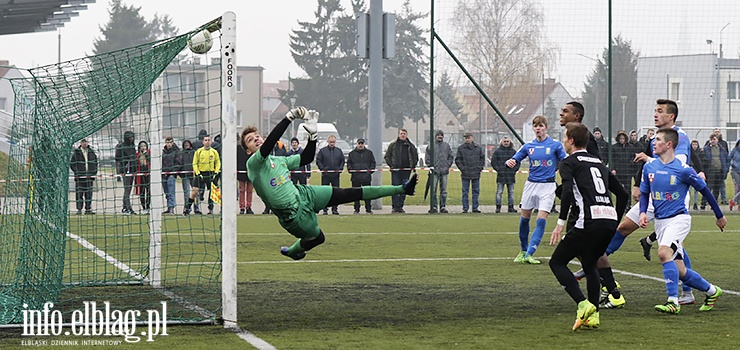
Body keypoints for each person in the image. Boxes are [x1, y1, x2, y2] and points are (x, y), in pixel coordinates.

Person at [242, 106, 418, 260]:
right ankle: (293, 251)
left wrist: (313, 136)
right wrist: (289, 117)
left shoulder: (278, 160)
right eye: (251, 140)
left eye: (257, 136)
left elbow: (307, 158)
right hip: (293, 216)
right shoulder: (254, 164)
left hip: (303, 194)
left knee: (349, 193)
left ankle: (403, 188)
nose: (256, 139)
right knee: (318, 238)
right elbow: (270, 143)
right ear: (248, 151)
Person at [597, 99, 705, 307]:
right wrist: (638, 185)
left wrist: (648, 160)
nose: (655, 114)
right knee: (623, 227)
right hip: (654, 195)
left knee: (676, 249)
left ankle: (687, 292)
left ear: (671, 116)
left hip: (673, 196)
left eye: (660, 111)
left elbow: (677, 164)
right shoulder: (656, 137)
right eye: (655, 110)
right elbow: (647, 163)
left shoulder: (679, 137)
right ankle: (596, 263)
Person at [549, 122, 629, 331]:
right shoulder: (599, 163)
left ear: (572, 140)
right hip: (608, 220)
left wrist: (560, 224)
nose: (563, 141)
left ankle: (583, 304)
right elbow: (623, 194)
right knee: (590, 264)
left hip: (589, 219)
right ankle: (593, 317)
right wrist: (615, 220)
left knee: (557, 262)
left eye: (565, 137)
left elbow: (566, 192)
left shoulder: (568, 162)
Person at [638, 127, 725, 314]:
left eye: (658, 139)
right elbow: (644, 193)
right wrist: (643, 212)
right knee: (680, 269)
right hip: (660, 223)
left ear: (669, 144)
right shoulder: (649, 167)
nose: (653, 142)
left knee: (663, 253)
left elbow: (705, 191)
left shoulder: (683, 170)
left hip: (679, 219)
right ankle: (712, 291)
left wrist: (719, 216)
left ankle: (673, 302)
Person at [506, 116, 566, 264]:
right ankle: (523, 251)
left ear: (546, 127)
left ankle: (530, 253)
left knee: (540, 220)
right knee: (524, 219)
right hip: (531, 185)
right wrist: (511, 161)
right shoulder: (528, 146)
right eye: (535, 126)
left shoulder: (555, 145)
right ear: (533, 128)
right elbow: (516, 158)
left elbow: (565, 160)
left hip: (548, 186)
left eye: (540, 126)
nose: (538, 129)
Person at [183, 135, 220, 216]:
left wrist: (216, 172)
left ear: (211, 142)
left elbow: (218, 163)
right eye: (206, 140)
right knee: (194, 192)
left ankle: (211, 209)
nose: (207, 141)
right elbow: (195, 163)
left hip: (210, 174)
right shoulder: (199, 151)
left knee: (214, 192)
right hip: (200, 174)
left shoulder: (214, 152)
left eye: (209, 140)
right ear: (203, 142)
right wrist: (198, 173)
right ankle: (187, 209)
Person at [384, 128, 418, 214]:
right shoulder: (393, 145)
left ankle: (400, 206)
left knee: (404, 188)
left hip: (406, 171)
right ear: (398, 135)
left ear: (406, 135)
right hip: (396, 171)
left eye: (404, 134)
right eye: (401, 133)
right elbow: (387, 156)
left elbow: (415, 156)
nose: (403, 135)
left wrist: (413, 165)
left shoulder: (411, 146)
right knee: (395, 188)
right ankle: (395, 206)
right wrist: (391, 165)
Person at [456, 132, 485, 213]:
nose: (467, 139)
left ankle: (475, 208)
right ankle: (465, 208)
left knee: (476, 191)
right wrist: (463, 169)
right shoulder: (461, 148)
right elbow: (458, 160)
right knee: (465, 192)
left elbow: (482, 159)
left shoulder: (478, 148)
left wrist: (479, 168)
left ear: (472, 138)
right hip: (465, 173)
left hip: (476, 173)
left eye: (468, 137)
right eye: (466, 138)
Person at [426, 130, 454, 213]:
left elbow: (450, 156)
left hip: (444, 171)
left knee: (444, 190)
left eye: (441, 135)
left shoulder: (446, 146)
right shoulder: (431, 146)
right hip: (434, 171)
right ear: (435, 136)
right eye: (438, 135)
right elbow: (427, 157)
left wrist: (447, 165)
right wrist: (430, 165)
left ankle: (443, 206)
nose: (439, 136)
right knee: (433, 190)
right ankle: (434, 206)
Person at [316, 135, 345, 215]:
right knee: (325, 193)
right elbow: (318, 161)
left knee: (336, 193)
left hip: (336, 176)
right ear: (327, 142)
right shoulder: (322, 151)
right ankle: (325, 209)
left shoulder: (339, 151)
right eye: (330, 142)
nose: (332, 143)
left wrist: (339, 169)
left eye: (333, 142)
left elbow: (342, 161)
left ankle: (335, 209)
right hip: (326, 176)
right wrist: (323, 169)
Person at [347, 138, 376, 214]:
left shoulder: (369, 153)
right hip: (355, 177)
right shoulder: (352, 154)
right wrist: (351, 170)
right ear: (357, 144)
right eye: (359, 143)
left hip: (366, 177)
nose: (360, 145)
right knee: (355, 194)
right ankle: (356, 209)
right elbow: (349, 164)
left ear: (364, 144)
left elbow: (373, 163)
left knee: (367, 194)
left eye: (362, 143)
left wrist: (370, 171)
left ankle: (368, 209)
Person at [70, 138, 98, 215]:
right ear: (80, 143)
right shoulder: (76, 153)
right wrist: (77, 172)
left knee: (88, 194)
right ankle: (79, 209)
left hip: (89, 177)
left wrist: (93, 172)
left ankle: (88, 209)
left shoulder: (91, 152)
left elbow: (95, 163)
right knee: (79, 194)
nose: (84, 144)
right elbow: (72, 164)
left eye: (85, 142)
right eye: (83, 142)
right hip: (80, 178)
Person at [701, 134, 729, 210]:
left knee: (717, 189)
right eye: (711, 139)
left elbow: (726, 159)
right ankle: (703, 204)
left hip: (719, 171)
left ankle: (714, 205)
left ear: (717, 140)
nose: (713, 141)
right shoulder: (706, 149)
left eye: (714, 139)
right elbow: (703, 159)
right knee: (708, 188)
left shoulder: (722, 149)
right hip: (710, 171)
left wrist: (726, 169)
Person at [491, 136, 518, 213]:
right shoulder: (497, 152)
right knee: (499, 192)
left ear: (510, 142)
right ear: (501, 142)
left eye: (507, 141)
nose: (506, 143)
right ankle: (498, 207)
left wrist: (513, 171)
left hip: (511, 176)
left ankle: (511, 207)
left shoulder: (513, 152)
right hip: (501, 175)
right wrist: (499, 170)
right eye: (504, 141)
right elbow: (493, 162)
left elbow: (518, 162)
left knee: (511, 192)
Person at [115, 130, 137, 215]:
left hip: (132, 170)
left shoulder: (132, 147)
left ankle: (124, 207)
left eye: (132, 137)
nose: (132, 139)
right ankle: (128, 207)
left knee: (129, 189)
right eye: (130, 138)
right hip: (125, 170)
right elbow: (117, 159)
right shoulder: (120, 147)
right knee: (127, 189)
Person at [611, 130, 634, 208]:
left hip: (627, 172)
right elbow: (612, 160)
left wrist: (630, 164)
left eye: (623, 138)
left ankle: (628, 205)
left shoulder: (630, 147)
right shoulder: (614, 147)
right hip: (618, 172)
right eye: (620, 138)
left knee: (628, 190)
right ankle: (619, 205)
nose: (622, 140)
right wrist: (613, 169)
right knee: (619, 190)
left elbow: (633, 158)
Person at [161, 137, 182, 214]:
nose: (169, 144)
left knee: (171, 192)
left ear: (172, 143)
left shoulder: (176, 151)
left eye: (170, 142)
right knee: (166, 192)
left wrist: (173, 172)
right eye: (167, 142)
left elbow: (178, 163)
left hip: (171, 174)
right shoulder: (163, 152)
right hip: (163, 174)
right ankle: (168, 207)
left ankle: (171, 208)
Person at [180, 140, 200, 214]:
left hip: (194, 175)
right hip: (185, 175)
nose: (187, 145)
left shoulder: (194, 152)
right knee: (187, 193)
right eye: (185, 144)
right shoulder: (181, 153)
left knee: (196, 192)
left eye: (188, 144)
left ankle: (197, 208)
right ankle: (187, 208)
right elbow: (179, 163)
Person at [237, 140, 254, 214]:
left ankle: (249, 206)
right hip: (241, 172)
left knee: (250, 190)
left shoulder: (252, 147)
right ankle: (242, 207)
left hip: (251, 172)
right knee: (242, 190)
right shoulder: (238, 148)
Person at [134, 141, 151, 214]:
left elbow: (151, 161)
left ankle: (148, 206)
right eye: (141, 146)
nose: (143, 147)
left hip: (149, 176)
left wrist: (146, 154)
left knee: (149, 192)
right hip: (140, 176)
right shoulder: (137, 155)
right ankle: (144, 207)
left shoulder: (149, 153)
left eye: (144, 146)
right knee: (142, 192)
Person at [690, 140, 707, 210]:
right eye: (693, 144)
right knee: (689, 190)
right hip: (690, 173)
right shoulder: (689, 153)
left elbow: (702, 161)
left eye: (695, 144)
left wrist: (701, 170)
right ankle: (687, 204)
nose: (694, 146)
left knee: (696, 190)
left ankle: (695, 203)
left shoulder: (700, 153)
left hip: (697, 173)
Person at [729, 139, 740, 211]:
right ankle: (734, 201)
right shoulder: (734, 150)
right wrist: (733, 165)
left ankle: (733, 201)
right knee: (738, 187)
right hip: (735, 171)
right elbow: (728, 158)